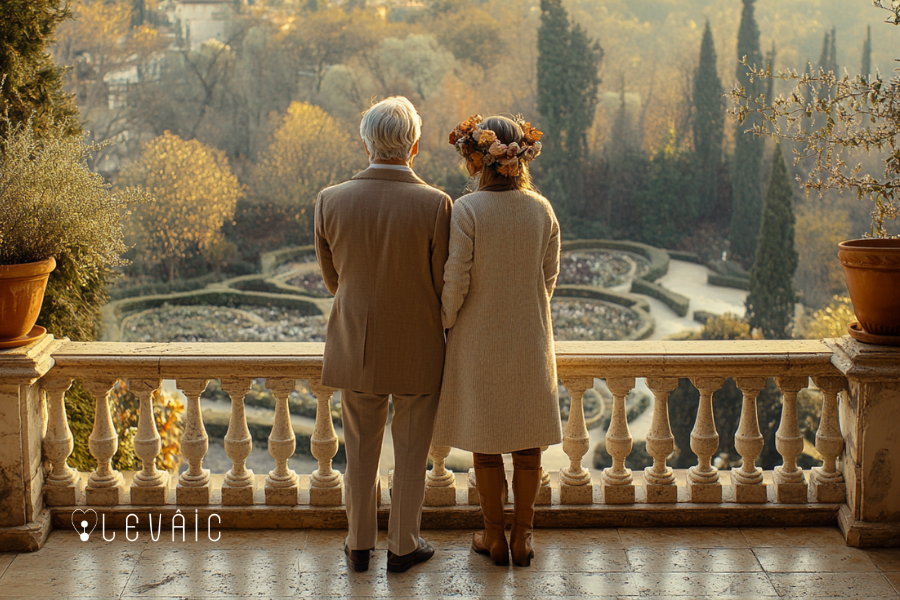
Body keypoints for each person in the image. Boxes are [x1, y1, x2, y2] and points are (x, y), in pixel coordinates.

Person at [314, 96, 452, 574]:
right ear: (414, 146)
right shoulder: (437, 204)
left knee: (359, 451)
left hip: (356, 343)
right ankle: (402, 546)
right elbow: (441, 284)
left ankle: (357, 545)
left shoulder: (330, 199)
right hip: (418, 343)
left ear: (366, 142)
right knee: (412, 452)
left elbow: (335, 282)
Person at [433, 115, 562, 568]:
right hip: (529, 337)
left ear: (478, 159)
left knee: (486, 445)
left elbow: (456, 282)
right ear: (521, 155)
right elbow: (548, 279)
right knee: (528, 446)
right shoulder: (541, 209)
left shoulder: (467, 211)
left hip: (479, 339)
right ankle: (523, 539)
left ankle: (492, 537)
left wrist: (446, 324)